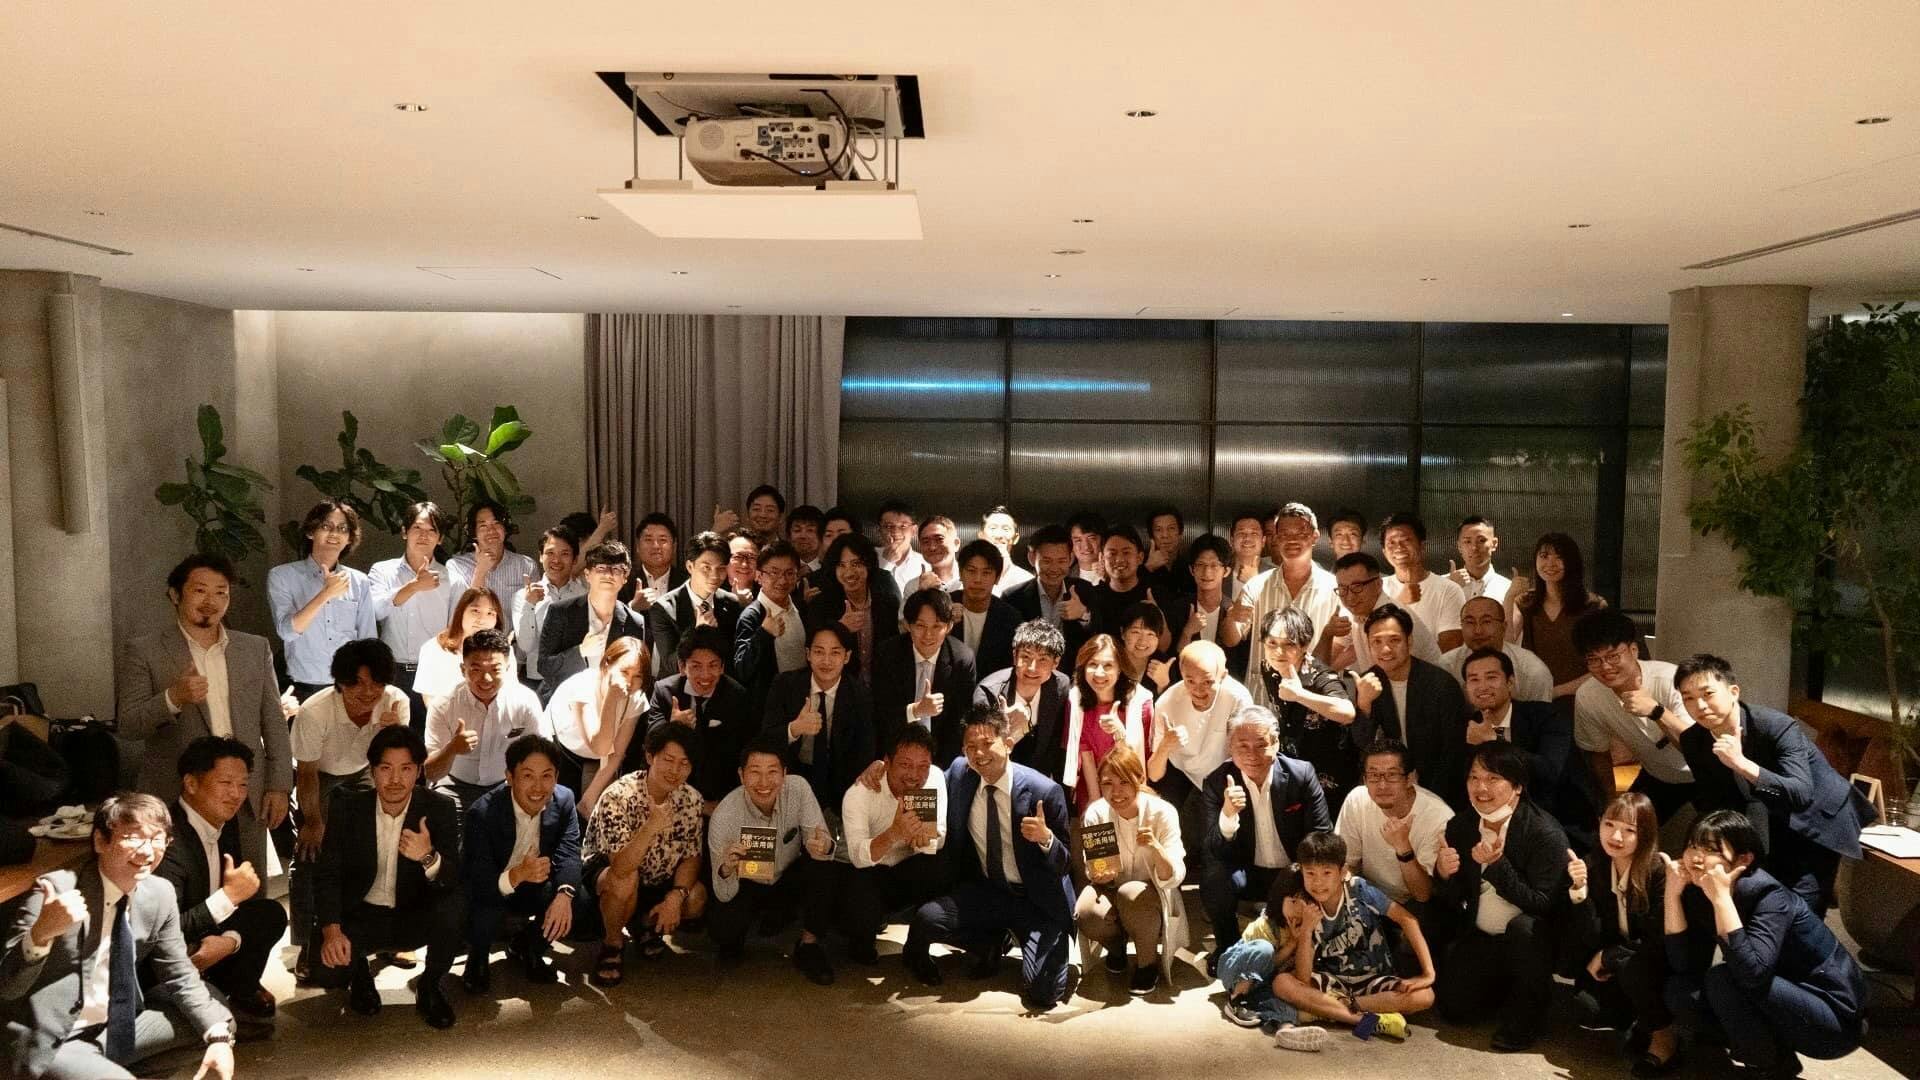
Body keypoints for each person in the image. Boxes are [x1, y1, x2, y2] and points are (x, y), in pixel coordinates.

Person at [1, 794, 235, 1080]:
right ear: (101, 841)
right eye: (133, 837)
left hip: (112, 1029)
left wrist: (218, 1036)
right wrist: (41, 934)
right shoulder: (57, 891)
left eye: (157, 839)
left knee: (217, 1018)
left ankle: (101, 1069)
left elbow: (179, 973)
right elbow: (7, 987)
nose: (146, 851)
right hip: (54, 1040)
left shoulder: (159, 893)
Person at [118, 553, 290, 875]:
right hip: (177, 793)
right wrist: (173, 698)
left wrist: (279, 785)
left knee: (245, 887)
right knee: (179, 887)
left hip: (244, 793)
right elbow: (128, 725)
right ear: (175, 595)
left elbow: (273, 721)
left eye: (221, 592)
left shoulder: (255, 648)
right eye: (199, 591)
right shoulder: (145, 650)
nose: (211, 601)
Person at [1663, 810, 1866, 1078]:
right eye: (1692, 845)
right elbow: (1682, 963)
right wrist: (1672, 894)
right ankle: (1775, 1061)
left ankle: (1768, 1068)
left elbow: (1751, 974)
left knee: (1723, 979)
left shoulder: (1768, 896)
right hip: (1782, 997)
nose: (1696, 857)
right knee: (1681, 991)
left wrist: (1722, 900)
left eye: (1710, 849)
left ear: (1744, 859)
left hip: (1832, 1019)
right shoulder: (1701, 890)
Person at [1670, 654, 1876, 915]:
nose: (1699, 705)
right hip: (1766, 817)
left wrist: (1741, 763)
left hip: (1815, 818)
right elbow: (1713, 799)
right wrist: (1702, 848)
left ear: (1733, 692)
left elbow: (1800, 793)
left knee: (1802, 909)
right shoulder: (1693, 740)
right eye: (1688, 698)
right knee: (1760, 900)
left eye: (1707, 694)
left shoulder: (1776, 726)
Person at [904, 703, 1075, 1011]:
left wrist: (1045, 839)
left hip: (1035, 900)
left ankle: (1042, 942)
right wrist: (880, 770)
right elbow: (925, 776)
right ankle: (991, 941)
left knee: (1043, 993)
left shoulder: (1044, 791)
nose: (979, 754)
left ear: (1007, 743)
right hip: (989, 891)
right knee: (926, 919)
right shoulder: (961, 774)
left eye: (987, 743)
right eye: (971, 747)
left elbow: (1065, 863)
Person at [313, 725, 463, 1029]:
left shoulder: (440, 808)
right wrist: (331, 931)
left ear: (419, 771)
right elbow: (327, 873)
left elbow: (452, 878)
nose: (395, 779)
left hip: (413, 913)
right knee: (327, 972)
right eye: (385, 768)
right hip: (361, 914)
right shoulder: (348, 807)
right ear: (372, 771)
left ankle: (430, 985)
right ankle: (359, 974)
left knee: (456, 906)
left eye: (405, 769)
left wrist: (427, 856)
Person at [1433, 741, 1570, 1053]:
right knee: (1454, 1010)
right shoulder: (1461, 825)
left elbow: (1542, 904)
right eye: (1474, 777)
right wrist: (1443, 873)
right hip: (1483, 936)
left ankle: (1530, 1009)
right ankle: (1505, 991)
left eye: (1493, 778)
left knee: (1525, 929)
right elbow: (1453, 897)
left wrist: (1496, 866)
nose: (1481, 788)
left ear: (1518, 786)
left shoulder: (1544, 832)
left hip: (1532, 940)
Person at [287, 639, 410, 983]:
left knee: (383, 845)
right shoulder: (315, 711)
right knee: (311, 854)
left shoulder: (395, 702)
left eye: (376, 682)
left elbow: (397, 765)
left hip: (368, 771)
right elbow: (307, 773)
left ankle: (388, 937)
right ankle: (308, 943)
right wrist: (313, 821)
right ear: (340, 682)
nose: (368, 692)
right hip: (321, 775)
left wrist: (393, 734)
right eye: (357, 683)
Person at [156, 737, 288, 1030]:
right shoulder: (166, 839)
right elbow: (162, 930)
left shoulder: (223, 821)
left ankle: (240, 990)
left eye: (243, 784)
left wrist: (228, 941)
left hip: (208, 930)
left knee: (270, 914)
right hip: (171, 951)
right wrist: (227, 898)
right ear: (191, 784)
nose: (236, 794)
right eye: (225, 783)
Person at [1199, 707, 1332, 972]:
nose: (1252, 754)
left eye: (1261, 745)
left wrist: (1300, 874)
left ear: (1276, 743)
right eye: (1243, 746)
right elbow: (1213, 848)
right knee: (1214, 875)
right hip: (1248, 872)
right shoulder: (1216, 782)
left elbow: (1321, 835)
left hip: (1294, 871)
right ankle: (1227, 948)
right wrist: (1228, 815)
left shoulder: (1301, 774)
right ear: (1230, 747)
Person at [1272, 831, 1435, 1042]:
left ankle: (1331, 1010)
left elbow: (1408, 919)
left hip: (1374, 982)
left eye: (1327, 873)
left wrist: (1428, 973)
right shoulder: (1306, 905)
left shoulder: (1359, 890)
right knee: (1282, 983)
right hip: (1333, 982)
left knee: (1425, 996)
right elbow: (1303, 977)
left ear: (1342, 872)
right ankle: (1361, 1020)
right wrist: (1306, 931)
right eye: (1310, 873)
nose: (1318, 882)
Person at [579, 723, 707, 986]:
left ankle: (644, 924)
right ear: (650, 757)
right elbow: (621, 867)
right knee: (626, 880)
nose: (675, 770)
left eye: (684, 763)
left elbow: (692, 856)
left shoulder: (692, 799)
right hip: (609, 877)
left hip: (658, 876)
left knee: (696, 897)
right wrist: (651, 826)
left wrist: (676, 896)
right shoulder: (619, 796)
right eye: (668, 760)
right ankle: (612, 944)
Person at [708, 737, 840, 984]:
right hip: (746, 883)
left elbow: (823, 842)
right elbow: (723, 893)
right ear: (741, 775)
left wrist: (823, 845)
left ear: (785, 773)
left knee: (823, 866)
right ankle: (736, 940)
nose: (764, 782)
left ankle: (809, 945)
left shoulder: (798, 789)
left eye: (772, 772)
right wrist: (727, 868)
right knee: (722, 929)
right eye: (755, 772)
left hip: (787, 876)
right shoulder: (724, 816)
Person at [1566, 793, 1678, 1077]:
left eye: (1629, 830)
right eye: (1609, 824)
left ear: (1646, 835)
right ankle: (1641, 1022)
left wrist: (1609, 956)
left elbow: (1659, 942)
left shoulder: (1658, 871)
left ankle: (1664, 1039)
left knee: (1633, 968)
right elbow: (1590, 936)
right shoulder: (1593, 864)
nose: (1616, 836)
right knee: (1588, 1008)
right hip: (1619, 962)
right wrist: (1579, 890)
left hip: (1655, 962)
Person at [459, 735, 581, 993]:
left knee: (579, 900)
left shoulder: (564, 800)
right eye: (527, 776)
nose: (538, 787)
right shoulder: (483, 813)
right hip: (492, 885)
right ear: (510, 777)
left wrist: (564, 894)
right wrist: (516, 875)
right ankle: (477, 956)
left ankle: (530, 947)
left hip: (535, 883)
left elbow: (569, 852)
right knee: (479, 904)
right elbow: (477, 880)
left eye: (546, 776)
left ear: (556, 777)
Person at [1075, 745, 1185, 994]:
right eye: (1108, 783)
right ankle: (1116, 949)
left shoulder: (1162, 812)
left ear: (1140, 779)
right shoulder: (1096, 812)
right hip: (1112, 890)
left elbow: (1175, 876)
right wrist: (1098, 875)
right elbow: (1093, 867)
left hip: (1151, 895)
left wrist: (1156, 849)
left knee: (1131, 893)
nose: (1116, 792)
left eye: (1124, 781)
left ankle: (1147, 964)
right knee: (1086, 911)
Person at [841, 726, 950, 965]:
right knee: (859, 894)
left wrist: (925, 839)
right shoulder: (860, 793)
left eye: (922, 766)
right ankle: (862, 939)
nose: (914, 775)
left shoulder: (935, 778)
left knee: (940, 864)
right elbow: (858, 856)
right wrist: (894, 834)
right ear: (887, 763)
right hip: (868, 873)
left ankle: (918, 947)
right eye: (905, 765)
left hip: (908, 868)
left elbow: (939, 836)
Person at [1461, 647, 1594, 843]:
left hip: (1561, 823)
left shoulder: (1548, 716)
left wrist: (1494, 741)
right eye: (1474, 680)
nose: (1482, 686)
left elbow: (1548, 772)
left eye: (1491, 677)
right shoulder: (1467, 728)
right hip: (1495, 827)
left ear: (1510, 682)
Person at [1572, 610, 1693, 819]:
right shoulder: (1588, 696)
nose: (1605, 667)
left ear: (1634, 650)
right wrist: (1610, 801)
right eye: (1594, 660)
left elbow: (1694, 746)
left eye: (1613, 656)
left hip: (1708, 773)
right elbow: (1598, 754)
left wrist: (1656, 711)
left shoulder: (1671, 679)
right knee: (1622, 824)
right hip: (1658, 775)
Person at [1146, 640, 1252, 870]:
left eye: (1208, 682)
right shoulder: (1167, 702)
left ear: (1223, 676)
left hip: (1222, 772)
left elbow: (1245, 755)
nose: (1198, 689)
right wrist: (1165, 745)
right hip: (1181, 772)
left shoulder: (1238, 697)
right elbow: (1154, 774)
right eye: (1190, 681)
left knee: (1212, 839)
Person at [1352, 605, 1471, 807]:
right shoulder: (1368, 681)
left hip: (1440, 788)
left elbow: (1454, 752)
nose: (1385, 649)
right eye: (1377, 642)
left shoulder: (1441, 683)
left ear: (1409, 641)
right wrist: (1364, 704)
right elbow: (1362, 745)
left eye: (1394, 640)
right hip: (1390, 786)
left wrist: (1429, 798)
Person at [424, 628, 546, 818]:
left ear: (508, 669)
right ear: (463, 670)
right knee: (442, 819)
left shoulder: (525, 701)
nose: (486, 679)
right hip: (454, 785)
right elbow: (431, 773)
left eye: (495, 670)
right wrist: (452, 749)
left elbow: (543, 756)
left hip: (507, 785)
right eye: (476, 669)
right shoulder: (443, 705)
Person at [1232, 503, 1340, 709]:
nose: (1292, 539)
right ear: (1276, 538)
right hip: (1262, 701)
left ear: (1315, 536)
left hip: (1315, 702)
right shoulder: (1256, 585)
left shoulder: (1335, 588)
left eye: (1300, 532)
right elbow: (1232, 638)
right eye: (1284, 533)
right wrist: (1232, 617)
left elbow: (1344, 647)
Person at [269, 499, 378, 699]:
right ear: (311, 532)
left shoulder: (359, 581)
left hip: (349, 688)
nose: (335, 534)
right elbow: (287, 632)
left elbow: (368, 641)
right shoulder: (282, 576)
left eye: (343, 529)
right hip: (303, 688)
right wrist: (325, 594)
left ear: (349, 539)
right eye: (326, 526)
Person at [765, 623, 878, 816]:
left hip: (841, 782)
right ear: (808, 654)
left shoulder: (860, 695)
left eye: (835, 653)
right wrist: (794, 728)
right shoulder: (785, 685)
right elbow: (765, 739)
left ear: (847, 657)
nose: (826, 661)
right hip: (792, 777)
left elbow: (865, 751)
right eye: (819, 652)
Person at [1217, 865, 1328, 1050]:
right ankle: (1235, 1000)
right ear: (1279, 899)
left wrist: (1304, 937)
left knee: (1284, 1003)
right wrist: (1291, 944)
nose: (1298, 910)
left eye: (1305, 903)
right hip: (1236, 972)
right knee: (1264, 949)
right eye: (1293, 901)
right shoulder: (1266, 925)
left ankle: (1287, 1030)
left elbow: (1301, 976)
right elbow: (1267, 964)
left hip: (1264, 985)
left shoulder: (1310, 929)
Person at [1258, 608, 1359, 810]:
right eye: (1272, 643)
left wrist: (1299, 695)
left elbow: (1348, 712)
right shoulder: (1268, 667)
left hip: (1331, 770)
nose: (1278, 652)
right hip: (1294, 764)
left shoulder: (1320, 675)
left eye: (1289, 644)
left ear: (1304, 646)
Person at [1334, 739, 1451, 913]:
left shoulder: (1439, 816)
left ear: (1410, 778)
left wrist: (1403, 847)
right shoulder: (1357, 800)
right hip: (1367, 894)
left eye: (1392, 775)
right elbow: (1346, 864)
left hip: (1414, 904)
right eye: (1374, 775)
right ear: (1365, 779)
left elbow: (1422, 894)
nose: (1382, 785)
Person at [368, 501, 456, 731]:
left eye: (431, 530)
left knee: (432, 738)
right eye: (417, 528)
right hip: (391, 671)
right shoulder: (382, 571)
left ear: (440, 538)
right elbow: (376, 611)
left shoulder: (451, 578)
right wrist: (413, 586)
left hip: (434, 672)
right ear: (404, 532)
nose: (423, 535)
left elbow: (456, 628)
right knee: (389, 738)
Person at [642, 627, 752, 810]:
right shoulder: (664, 691)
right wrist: (673, 727)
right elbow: (650, 747)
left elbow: (739, 754)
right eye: (696, 666)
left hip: (718, 799)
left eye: (713, 665)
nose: (705, 675)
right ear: (682, 667)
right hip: (669, 794)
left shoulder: (737, 696)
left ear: (722, 667)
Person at [872, 588, 977, 766]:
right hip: (893, 752)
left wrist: (936, 769)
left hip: (941, 757)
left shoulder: (962, 660)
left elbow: (960, 724)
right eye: (920, 626)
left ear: (949, 627)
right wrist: (916, 710)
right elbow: (880, 714)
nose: (928, 635)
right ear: (908, 625)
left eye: (937, 626)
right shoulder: (887, 654)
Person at [545, 636, 649, 812]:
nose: (630, 682)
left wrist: (589, 798)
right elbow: (599, 747)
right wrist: (612, 698)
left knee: (596, 807)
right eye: (624, 672)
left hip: (598, 756)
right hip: (560, 745)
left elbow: (616, 753)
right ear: (607, 665)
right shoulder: (582, 686)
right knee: (558, 808)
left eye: (638, 676)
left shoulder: (636, 697)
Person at [1506, 532, 1605, 711]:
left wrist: (1557, 691)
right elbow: (1507, 644)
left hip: (1582, 699)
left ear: (1572, 562)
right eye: (1544, 556)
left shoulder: (1593, 606)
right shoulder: (1526, 602)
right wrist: (1509, 597)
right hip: (1535, 698)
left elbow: (1603, 666)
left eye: (1559, 557)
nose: (1550, 563)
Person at [536, 541, 645, 699]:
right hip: (566, 700)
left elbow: (636, 672)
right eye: (601, 568)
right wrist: (580, 651)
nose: (608, 575)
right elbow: (544, 666)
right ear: (587, 575)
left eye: (616, 569)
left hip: (611, 700)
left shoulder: (634, 622)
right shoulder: (560, 612)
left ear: (625, 577)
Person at [1062, 634, 1155, 813]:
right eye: (1092, 664)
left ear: (1120, 669)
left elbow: (1141, 758)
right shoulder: (1076, 699)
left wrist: (1120, 734)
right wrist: (1096, 802)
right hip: (1092, 783)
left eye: (1108, 666)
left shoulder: (1141, 701)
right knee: (1097, 827)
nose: (1099, 673)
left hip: (1129, 783)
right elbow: (1086, 754)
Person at [973, 619, 1073, 782]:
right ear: (1014, 656)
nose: (1032, 668)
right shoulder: (989, 693)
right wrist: (1007, 729)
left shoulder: (1061, 687)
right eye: (1026, 657)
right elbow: (980, 752)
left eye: (1042, 659)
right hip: (995, 776)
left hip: (1040, 778)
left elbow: (1056, 747)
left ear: (1056, 662)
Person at [1315, 553, 1444, 673]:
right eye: (1343, 589)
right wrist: (1327, 634)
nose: (1350, 598)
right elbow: (1315, 668)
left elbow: (1398, 678)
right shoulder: (1354, 612)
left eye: (1357, 587)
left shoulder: (1391, 620)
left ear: (1378, 584)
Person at [645, 531, 741, 680]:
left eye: (721, 568)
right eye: (706, 568)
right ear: (690, 566)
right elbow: (671, 665)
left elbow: (733, 659)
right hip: (678, 687)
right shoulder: (663, 608)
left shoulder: (731, 603)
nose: (715, 576)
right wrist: (696, 633)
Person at [807, 532, 903, 681]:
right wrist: (840, 628)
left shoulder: (887, 603)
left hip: (881, 686)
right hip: (842, 687)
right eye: (841, 565)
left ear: (868, 565)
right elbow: (813, 654)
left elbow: (895, 650)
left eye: (856, 564)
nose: (849, 573)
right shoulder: (821, 605)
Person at [732, 540, 812, 717]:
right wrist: (764, 633)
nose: (782, 580)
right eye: (774, 572)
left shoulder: (801, 607)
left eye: (789, 573)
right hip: (768, 710)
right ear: (759, 576)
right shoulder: (751, 616)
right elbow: (742, 670)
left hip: (803, 703)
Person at [1001, 524, 1094, 670]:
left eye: (1061, 561)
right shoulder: (1013, 597)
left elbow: (1100, 634)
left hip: (1074, 674)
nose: (1054, 568)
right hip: (1030, 673)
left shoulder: (1085, 590)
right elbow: (1008, 646)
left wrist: (1083, 614)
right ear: (1032, 558)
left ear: (1071, 559)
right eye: (1047, 561)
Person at [510, 526, 587, 697]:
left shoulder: (585, 596)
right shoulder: (522, 596)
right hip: (537, 680)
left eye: (564, 554)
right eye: (550, 553)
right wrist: (529, 605)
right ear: (540, 556)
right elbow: (525, 646)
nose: (556, 560)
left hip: (577, 680)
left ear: (575, 559)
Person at [1090, 526, 1190, 653]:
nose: (1119, 559)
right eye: (1112, 554)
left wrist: (1158, 615)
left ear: (1140, 557)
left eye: (1126, 552)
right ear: (1102, 558)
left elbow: (1164, 647)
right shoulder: (1093, 596)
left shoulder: (1156, 593)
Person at [1439, 596, 1554, 704]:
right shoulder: (1446, 666)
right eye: (1470, 622)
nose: (1478, 630)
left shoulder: (1531, 671)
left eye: (1486, 621)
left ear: (1504, 627)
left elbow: (1541, 715)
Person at [1379, 512, 1466, 653]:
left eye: (1406, 540)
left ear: (1422, 545)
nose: (1399, 547)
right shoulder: (1377, 588)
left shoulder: (1449, 590)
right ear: (1384, 551)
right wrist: (1399, 603)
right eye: (1391, 543)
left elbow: (1450, 648)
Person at [415, 587, 514, 708]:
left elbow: (510, 694)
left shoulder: (504, 651)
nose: (482, 620)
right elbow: (430, 699)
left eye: (490, 613)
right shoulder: (433, 649)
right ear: (461, 612)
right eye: (475, 611)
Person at [445, 499, 539, 625]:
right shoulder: (456, 566)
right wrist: (480, 571)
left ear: (505, 529)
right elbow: (461, 615)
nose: (491, 531)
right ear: (473, 533)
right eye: (483, 526)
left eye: (496, 523)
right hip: (474, 636)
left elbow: (535, 614)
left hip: (514, 637)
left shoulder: (526, 565)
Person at [951, 540, 1021, 676]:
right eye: (971, 571)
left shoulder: (1010, 618)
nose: (978, 579)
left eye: (986, 573)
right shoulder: (943, 606)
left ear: (997, 578)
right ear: (960, 573)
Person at [1176, 533, 1234, 651]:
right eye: (1200, 564)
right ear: (1192, 570)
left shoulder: (1232, 610)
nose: (1207, 572)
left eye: (1214, 565)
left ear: (1226, 571)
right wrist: (1187, 632)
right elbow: (1175, 657)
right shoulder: (1179, 608)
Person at [620, 512, 687, 611]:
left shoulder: (687, 583)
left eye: (662, 540)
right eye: (648, 540)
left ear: (674, 547)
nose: (656, 546)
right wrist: (632, 607)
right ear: (637, 546)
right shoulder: (622, 581)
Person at [875, 499, 932, 599]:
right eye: (888, 526)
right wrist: (886, 563)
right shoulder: (867, 556)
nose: (895, 531)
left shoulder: (925, 563)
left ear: (914, 530)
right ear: (880, 530)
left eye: (903, 526)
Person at [1449, 516, 1510, 603]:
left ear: (1494, 544)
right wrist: (1449, 589)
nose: (1474, 547)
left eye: (1481, 540)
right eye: (1467, 541)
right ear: (1459, 546)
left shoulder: (1508, 589)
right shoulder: (1443, 585)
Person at [1118, 602, 1175, 695]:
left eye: (1150, 634)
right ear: (1122, 633)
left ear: (1159, 637)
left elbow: (1176, 702)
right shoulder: (1109, 658)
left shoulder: (1164, 663)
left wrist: (1164, 685)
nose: (1143, 641)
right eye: (1136, 632)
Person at [979, 505, 1034, 595]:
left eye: (1006, 529)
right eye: (993, 528)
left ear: (1015, 538)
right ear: (981, 535)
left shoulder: (1026, 581)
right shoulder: (965, 577)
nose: (999, 535)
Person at [1142, 506, 1188, 597]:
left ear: (1180, 533)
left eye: (1171, 528)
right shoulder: (1140, 566)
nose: (1165, 535)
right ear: (1151, 536)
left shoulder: (1190, 566)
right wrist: (1148, 568)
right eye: (1158, 530)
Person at [1068, 510, 1108, 585]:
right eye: (1078, 540)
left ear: (1102, 540)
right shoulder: (1063, 577)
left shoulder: (1117, 575)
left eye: (1091, 538)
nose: (1086, 546)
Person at [784, 504, 827, 571]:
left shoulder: (830, 569)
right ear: (788, 536)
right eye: (797, 530)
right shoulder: (780, 568)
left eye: (810, 530)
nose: (803, 536)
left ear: (822, 536)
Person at [722, 531, 761, 605]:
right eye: (737, 557)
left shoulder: (767, 593)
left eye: (751, 557)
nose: (744, 565)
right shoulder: (713, 592)